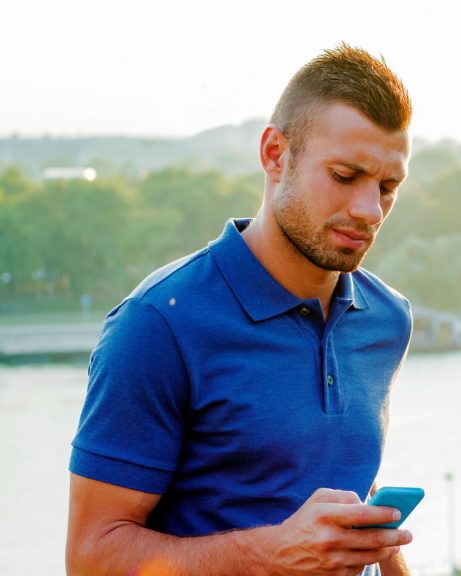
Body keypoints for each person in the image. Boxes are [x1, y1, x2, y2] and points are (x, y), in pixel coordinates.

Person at [67, 44, 416, 576]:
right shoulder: (158, 324)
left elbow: (352, 505)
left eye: (388, 187)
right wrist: (272, 553)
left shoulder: (387, 318)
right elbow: (92, 557)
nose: (369, 210)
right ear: (276, 154)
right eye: (345, 176)